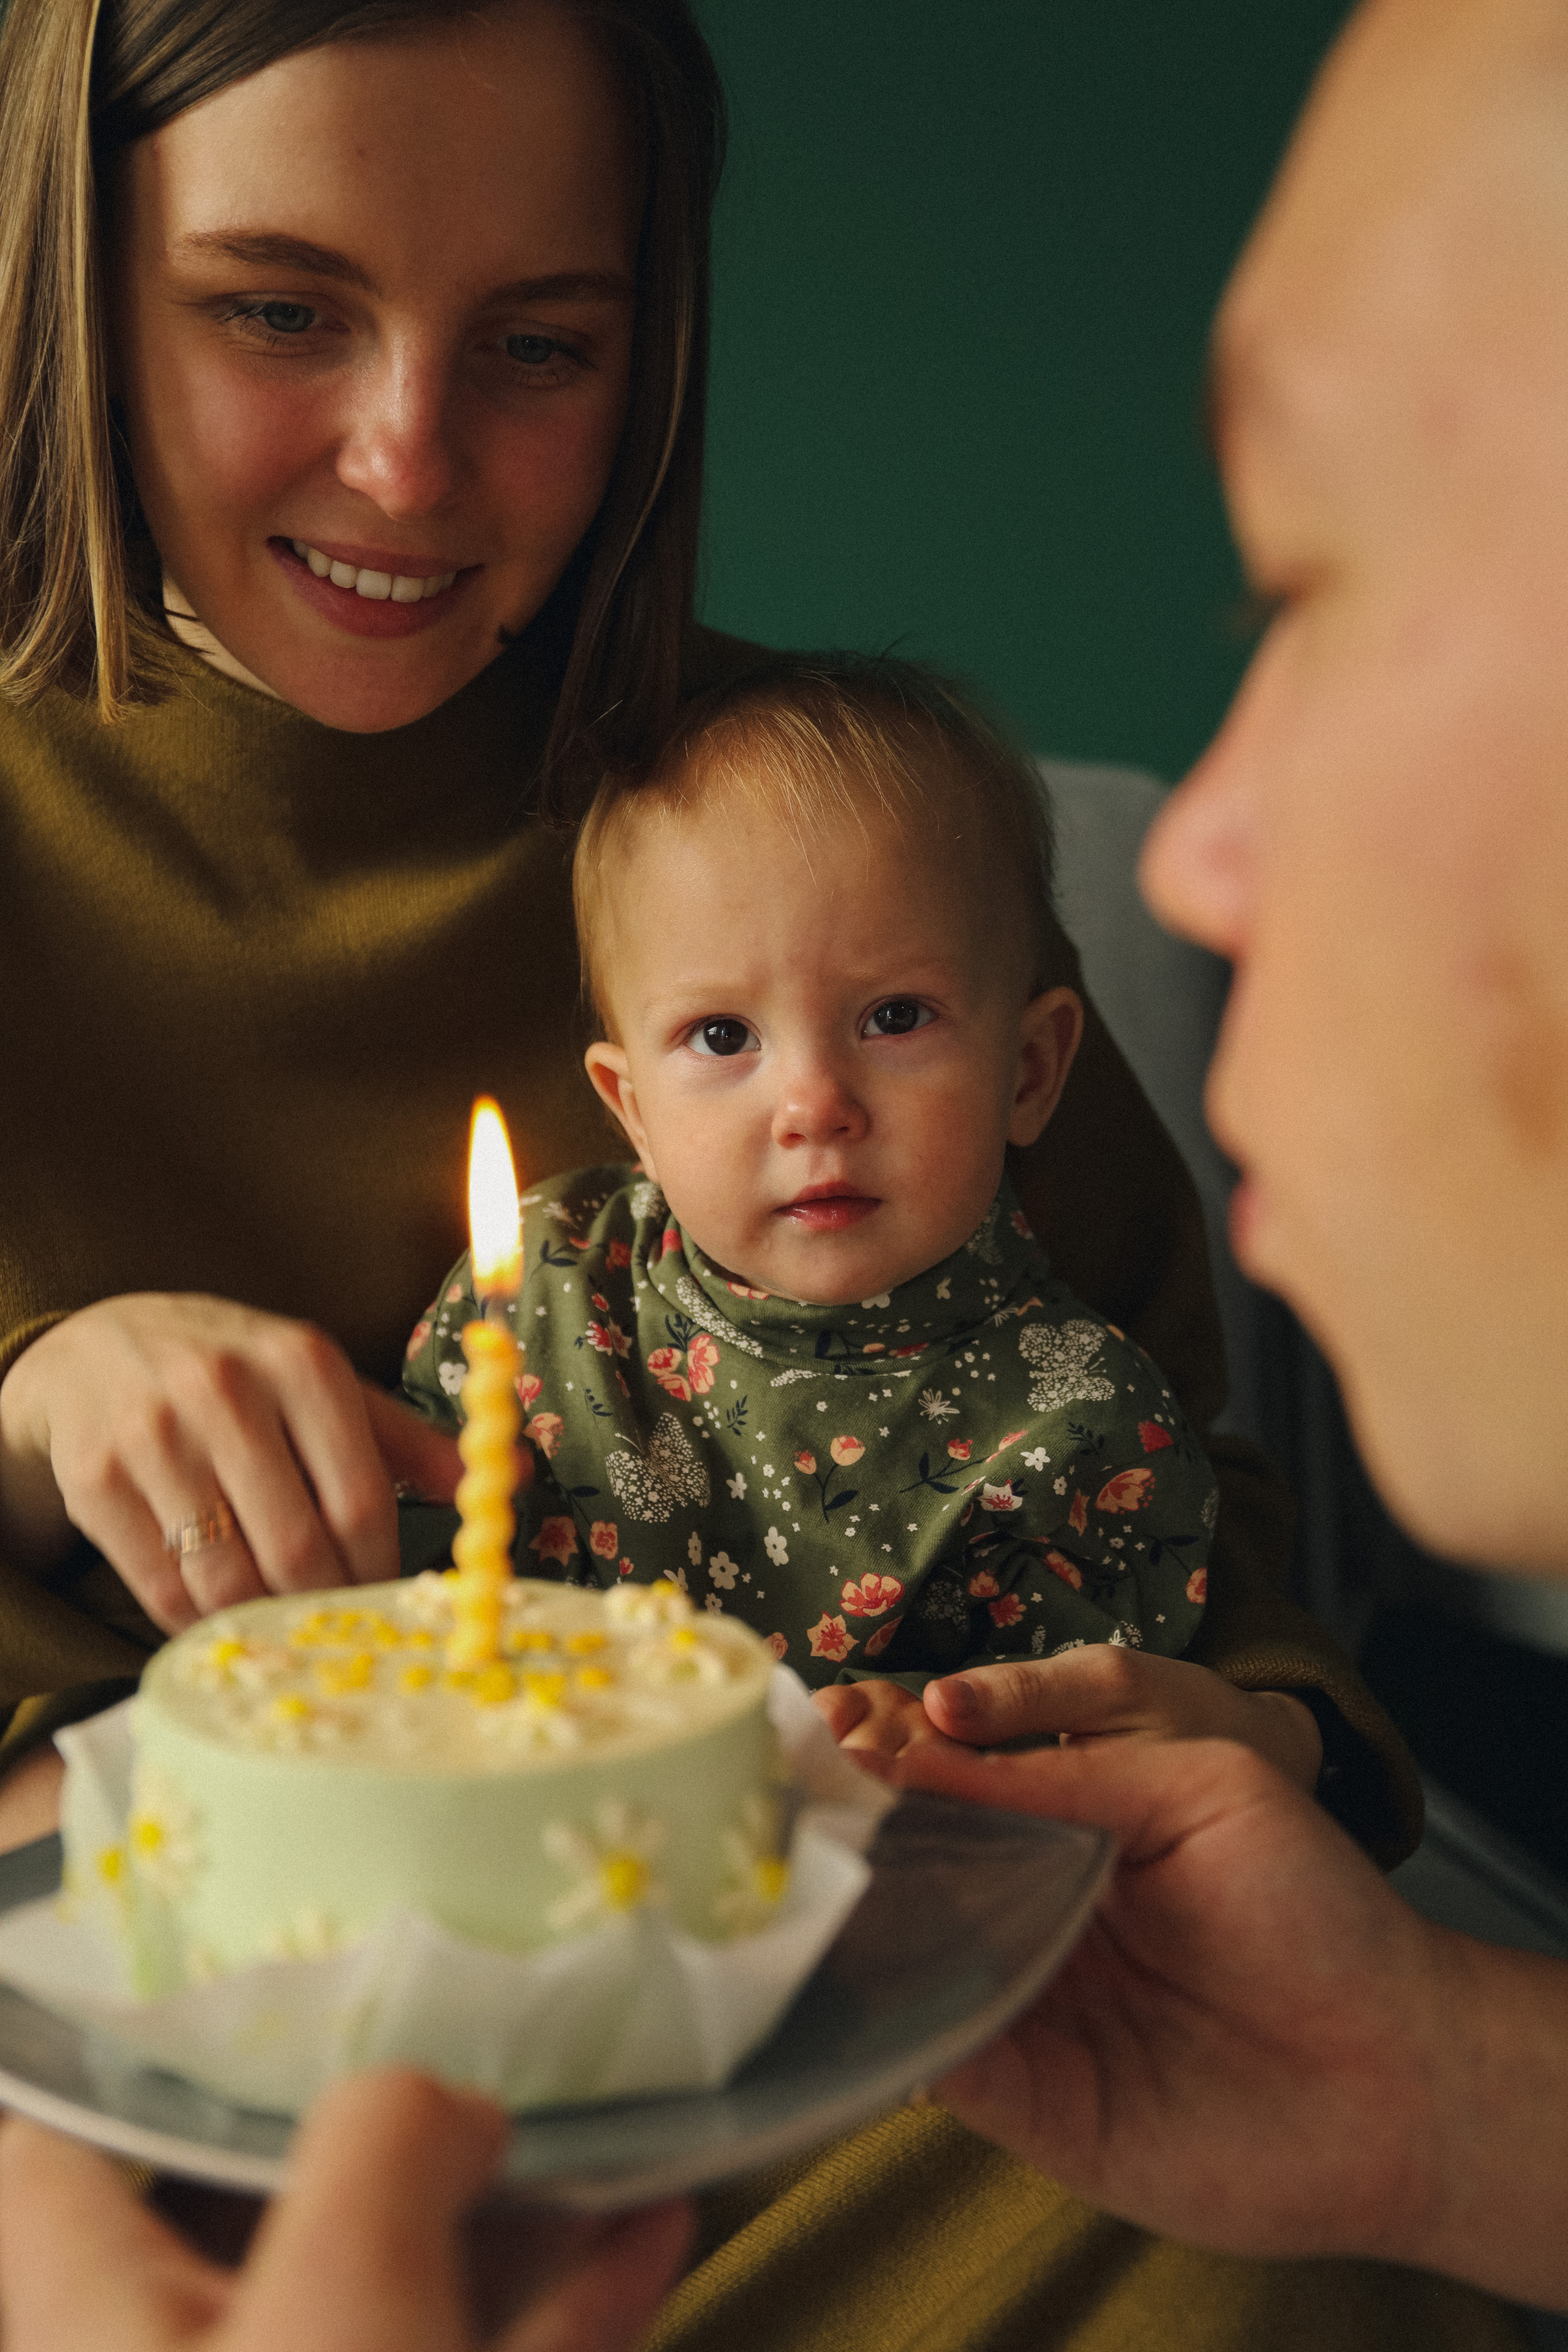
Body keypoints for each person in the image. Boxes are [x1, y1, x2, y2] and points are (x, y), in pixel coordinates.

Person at [0, 0, 1468, 2345]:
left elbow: (1189, 1516)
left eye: (542, 346)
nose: (405, 461)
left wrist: (1252, 1721)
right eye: (277, 309)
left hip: (900, 2060)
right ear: (72, 267)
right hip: (137, 2140)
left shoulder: (847, 857)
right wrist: (24, 1407)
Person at [401, 655, 1237, 1740]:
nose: (814, 1105)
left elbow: (1086, 1790)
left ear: (1028, 1071)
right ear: (633, 1110)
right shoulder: (548, 1297)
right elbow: (405, 1594)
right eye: (721, 1036)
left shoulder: (1078, 1433)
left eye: (895, 1017)